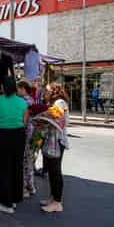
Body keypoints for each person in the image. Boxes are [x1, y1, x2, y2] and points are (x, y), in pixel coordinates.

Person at [0, 76, 29, 214]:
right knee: (17, 165)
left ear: (3, 87)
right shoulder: (23, 102)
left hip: (2, 135)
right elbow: (25, 122)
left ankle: (7, 203)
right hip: (19, 135)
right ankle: (16, 198)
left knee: (4, 168)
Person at [40, 84, 70, 213]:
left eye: (46, 90)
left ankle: (57, 202)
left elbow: (60, 120)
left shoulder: (59, 102)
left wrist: (44, 118)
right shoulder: (55, 103)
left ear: (53, 91)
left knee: (56, 171)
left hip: (57, 141)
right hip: (53, 140)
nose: (44, 92)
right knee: (52, 171)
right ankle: (53, 198)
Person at [17, 80, 36, 198]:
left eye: (18, 89)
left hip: (25, 133)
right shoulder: (31, 100)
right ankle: (31, 186)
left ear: (23, 89)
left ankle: (24, 188)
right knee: (29, 160)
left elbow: (23, 120)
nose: (17, 91)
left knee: (23, 160)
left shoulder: (24, 102)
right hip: (31, 133)